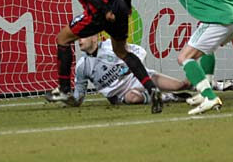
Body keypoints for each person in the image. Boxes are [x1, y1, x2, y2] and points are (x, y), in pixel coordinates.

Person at [45, 0, 164, 114]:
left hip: (100, 11)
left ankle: (64, 90)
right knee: (122, 52)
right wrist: (127, 3)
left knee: (62, 39)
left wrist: (104, 9)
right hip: (119, 3)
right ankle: (151, 89)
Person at [61, 34, 192, 107]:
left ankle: (207, 85)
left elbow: (140, 51)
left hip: (139, 78)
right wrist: (68, 99)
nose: (79, 40)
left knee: (181, 85)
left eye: (82, 37)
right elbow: (79, 96)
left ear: (94, 38)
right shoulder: (82, 66)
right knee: (133, 98)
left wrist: (129, 68)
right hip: (121, 95)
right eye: (78, 38)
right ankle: (167, 97)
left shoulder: (111, 46)